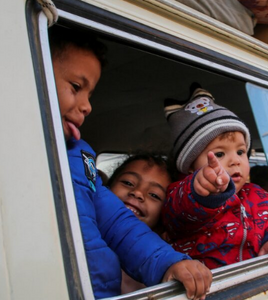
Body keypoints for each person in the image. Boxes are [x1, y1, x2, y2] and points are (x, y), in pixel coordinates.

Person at [49, 26, 211, 299]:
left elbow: (117, 223)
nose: (87, 106)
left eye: (90, 95)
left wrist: (167, 262)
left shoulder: (81, 157)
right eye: (76, 87)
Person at [163, 84, 268, 271]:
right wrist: (200, 191)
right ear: (191, 166)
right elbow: (180, 212)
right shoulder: (182, 195)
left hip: (254, 277)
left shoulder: (257, 195)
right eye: (219, 154)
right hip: (211, 285)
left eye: (240, 151)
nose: (235, 161)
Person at [107, 153, 172, 293]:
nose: (137, 193)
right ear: (107, 188)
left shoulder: (156, 269)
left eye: (154, 195)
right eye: (128, 183)